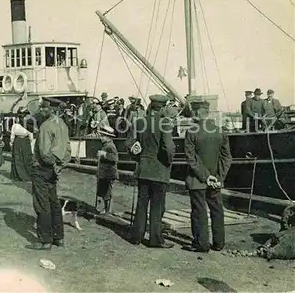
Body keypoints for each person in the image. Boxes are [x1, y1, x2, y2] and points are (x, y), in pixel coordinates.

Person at [126, 94, 175, 248]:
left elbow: (130, 143)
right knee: (157, 206)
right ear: (162, 107)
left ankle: (136, 237)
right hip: (159, 170)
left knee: (141, 204)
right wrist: (168, 162)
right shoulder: (164, 123)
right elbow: (168, 147)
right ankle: (155, 240)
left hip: (143, 169)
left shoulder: (139, 122)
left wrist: (135, 152)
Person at [182, 100, 232, 253]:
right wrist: (218, 177)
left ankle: (201, 244)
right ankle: (219, 243)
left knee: (199, 211)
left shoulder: (192, 132)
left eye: (193, 114)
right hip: (215, 181)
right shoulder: (220, 131)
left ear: (197, 114)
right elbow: (227, 157)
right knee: (217, 209)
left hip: (197, 180)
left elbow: (191, 159)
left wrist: (205, 176)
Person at [27, 98, 71, 251]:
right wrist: (59, 165)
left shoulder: (45, 126)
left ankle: (45, 240)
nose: (40, 111)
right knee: (54, 203)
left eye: (42, 108)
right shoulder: (62, 124)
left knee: (41, 204)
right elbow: (67, 148)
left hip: (42, 168)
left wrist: (50, 163)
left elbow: (45, 153)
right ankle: (59, 237)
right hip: (55, 168)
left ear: (48, 109)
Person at [95, 125, 119, 214]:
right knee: (103, 191)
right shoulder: (105, 145)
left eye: (103, 136)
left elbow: (115, 158)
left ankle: (108, 210)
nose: (101, 138)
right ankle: (104, 208)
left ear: (108, 137)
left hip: (109, 173)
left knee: (107, 192)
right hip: (104, 173)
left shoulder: (111, 146)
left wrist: (104, 154)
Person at [9, 111, 33, 181]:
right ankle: (18, 175)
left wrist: (12, 142)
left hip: (22, 142)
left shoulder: (26, 125)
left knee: (24, 158)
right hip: (20, 142)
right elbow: (12, 135)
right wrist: (12, 142)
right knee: (19, 158)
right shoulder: (16, 125)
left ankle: (23, 175)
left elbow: (30, 135)